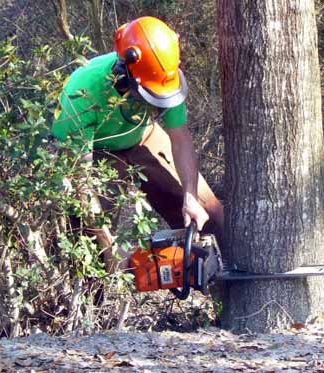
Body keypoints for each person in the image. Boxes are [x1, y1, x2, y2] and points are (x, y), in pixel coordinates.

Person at [52, 16, 224, 272]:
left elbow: (180, 137)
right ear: (125, 72)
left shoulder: (164, 74)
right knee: (87, 248)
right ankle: (86, 307)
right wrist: (110, 246)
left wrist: (190, 196)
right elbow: (81, 183)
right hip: (96, 154)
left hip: (142, 135)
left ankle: (224, 291)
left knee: (209, 213)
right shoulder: (82, 93)